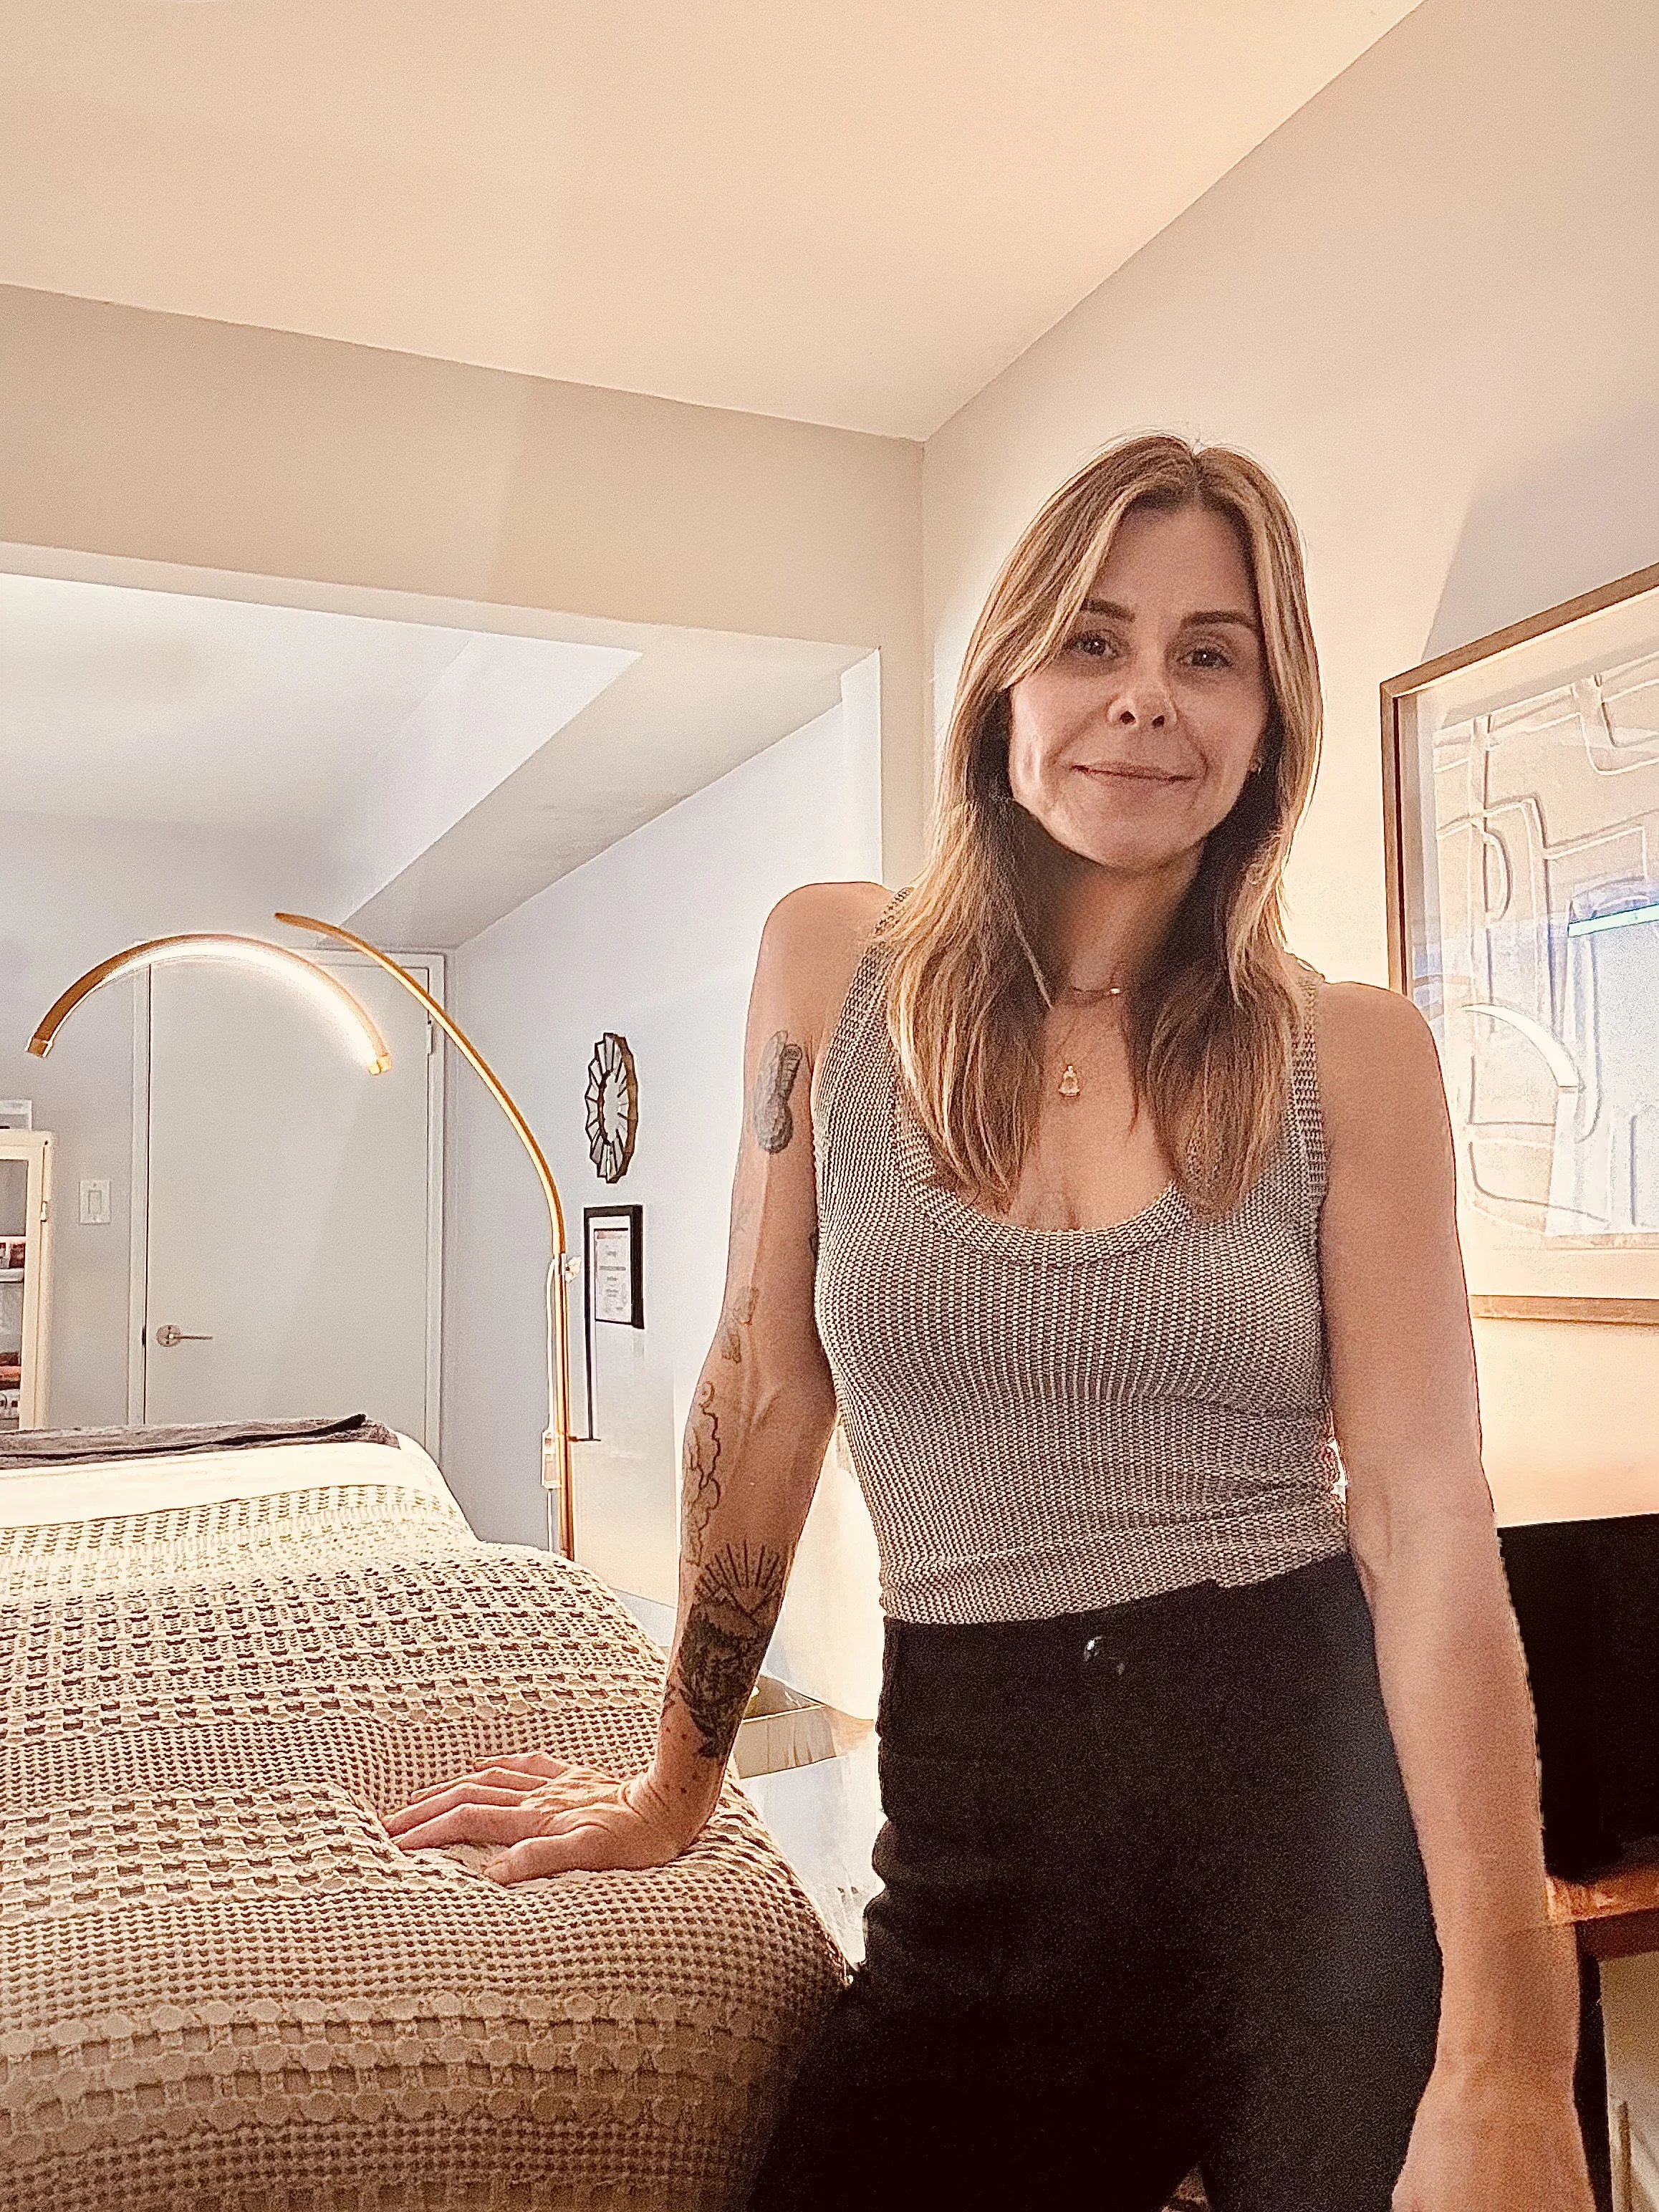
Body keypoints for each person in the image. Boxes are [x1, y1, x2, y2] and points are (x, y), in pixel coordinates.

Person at [387, 435, 1595, 2212]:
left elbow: (1424, 1516)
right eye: (1093, 641)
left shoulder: (1353, 1054)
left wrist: (1512, 2041)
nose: (1145, 703)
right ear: (1005, 681)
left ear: (1270, 722)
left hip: (1314, 1844)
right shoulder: (833, 969)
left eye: (1211, 653)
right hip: (981, 1838)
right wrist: (673, 1774)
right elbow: (765, 1379)